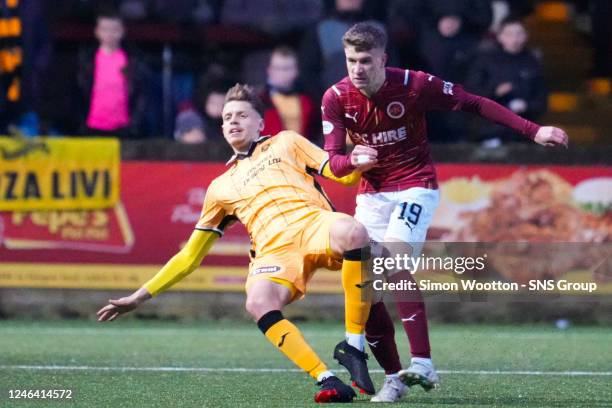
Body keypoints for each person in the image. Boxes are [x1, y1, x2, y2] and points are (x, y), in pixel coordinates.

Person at [321, 22, 568, 402]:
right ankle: (394, 377)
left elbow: (474, 102)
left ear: (383, 59)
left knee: (395, 260)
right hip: (372, 195)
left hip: (415, 184)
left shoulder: (415, 84)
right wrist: (351, 159)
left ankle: (422, 362)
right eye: (352, 60)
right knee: (365, 288)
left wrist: (533, 130)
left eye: (366, 60)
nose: (357, 68)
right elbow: (334, 161)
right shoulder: (336, 98)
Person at [97, 84, 376, 403]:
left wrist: (357, 162)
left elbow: (340, 174)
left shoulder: (286, 141)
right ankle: (326, 378)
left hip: (313, 223)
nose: (233, 121)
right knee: (257, 301)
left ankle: (353, 346)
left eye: (242, 115)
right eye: (227, 116)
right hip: (273, 253)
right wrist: (138, 297)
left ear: (260, 123)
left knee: (354, 232)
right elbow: (189, 256)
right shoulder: (219, 188)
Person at [466, 17, 547, 144]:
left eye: (519, 34)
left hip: (524, 131)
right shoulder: (485, 60)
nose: (514, 39)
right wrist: (495, 92)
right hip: (490, 130)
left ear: (526, 36)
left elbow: (541, 98)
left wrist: (527, 106)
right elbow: (471, 92)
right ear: (500, 36)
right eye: (509, 34)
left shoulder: (532, 62)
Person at [77, 9, 148, 138]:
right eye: (105, 29)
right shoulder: (86, 60)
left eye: (114, 29)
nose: (109, 34)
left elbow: (141, 95)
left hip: (124, 130)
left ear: (122, 31)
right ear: (97, 32)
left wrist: (133, 125)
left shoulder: (132, 60)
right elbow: (77, 93)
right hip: (91, 129)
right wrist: (81, 124)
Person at [260, 46, 316, 141]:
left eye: (286, 68)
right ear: (269, 70)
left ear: (296, 71)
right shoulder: (259, 101)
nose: (282, 73)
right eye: (277, 68)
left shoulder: (309, 101)